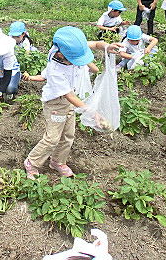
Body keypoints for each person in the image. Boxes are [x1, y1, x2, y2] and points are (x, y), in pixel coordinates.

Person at [22, 26, 119, 179]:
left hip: (67, 102)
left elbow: (95, 44)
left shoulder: (70, 48)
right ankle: (32, 162)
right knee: (53, 137)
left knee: (68, 134)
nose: (76, 63)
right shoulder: (56, 70)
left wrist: (108, 47)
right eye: (74, 61)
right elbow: (70, 96)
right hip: (55, 103)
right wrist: (92, 112)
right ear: (61, 55)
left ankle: (58, 161)